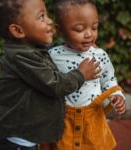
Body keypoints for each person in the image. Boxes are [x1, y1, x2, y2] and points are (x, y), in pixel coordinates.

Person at [0, 0, 101, 150]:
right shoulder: (21, 57)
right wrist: (81, 74)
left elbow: (47, 53)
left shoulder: (29, 48)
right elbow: (55, 85)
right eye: (41, 16)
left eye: (47, 14)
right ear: (18, 31)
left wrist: (77, 46)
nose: (50, 21)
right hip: (17, 138)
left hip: (26, 134)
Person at [39, 0, 126, 150]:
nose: (89, 34)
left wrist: (117, 95)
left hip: (94, 120)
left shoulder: (100, 55)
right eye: (79, 29)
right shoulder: (52, 55)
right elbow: (48, 83)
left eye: (95, 27)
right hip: (63, 121)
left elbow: (110, 81)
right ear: (60, 30)